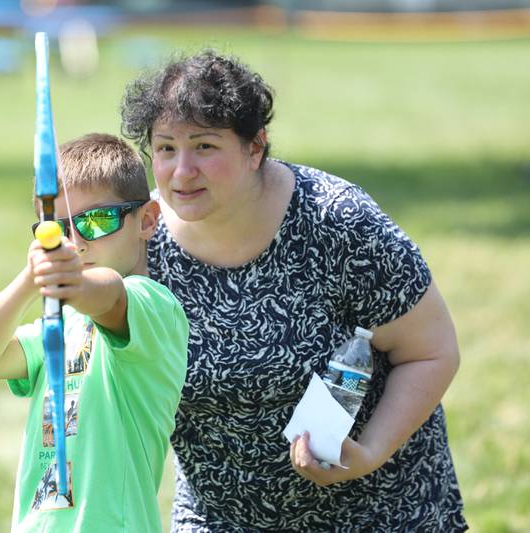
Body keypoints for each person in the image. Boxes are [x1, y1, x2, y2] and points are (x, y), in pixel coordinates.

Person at [120, 51, 467, 531]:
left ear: (255, 147)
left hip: (382, 511)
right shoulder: (139, 238)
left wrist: (368, 453)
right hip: (219, 517)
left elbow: (431, 351)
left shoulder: (337, 223)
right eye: (164, 149)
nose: (181, 172)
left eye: (204, 147)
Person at [0, 133, 189, 532]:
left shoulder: (154, 307)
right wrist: (29, 280)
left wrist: (68, 279)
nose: (76, 242)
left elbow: (110, 298)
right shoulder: (59, 326)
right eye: (58, 229)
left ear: (146, 220)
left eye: (96, 221)